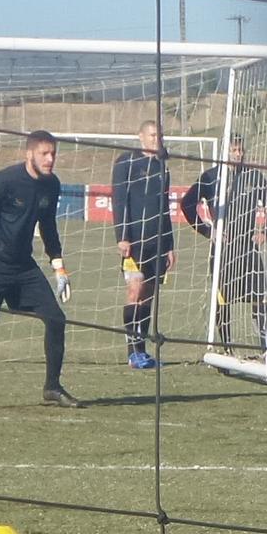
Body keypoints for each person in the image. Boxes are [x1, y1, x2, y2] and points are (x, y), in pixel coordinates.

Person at [0, 129, 78, 411]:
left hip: (24, 267)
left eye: (53, 153)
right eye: (44, 153)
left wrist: (58, 265)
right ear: (29, 154)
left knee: (56, 319)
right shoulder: (4, 181)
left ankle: (52, 387)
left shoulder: (52, 185)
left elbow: (48, 226)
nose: (50, 159)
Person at [177, 137, 267, 350]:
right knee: (223, 298)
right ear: (225, 152)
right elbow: (187, 204)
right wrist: (208, 230)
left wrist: (264, 230)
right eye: (234, 150)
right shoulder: (211, 177)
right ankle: (227, 346)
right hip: (223, 249)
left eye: (241, 150)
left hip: (248, 247)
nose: (238, 154)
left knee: (259, 296)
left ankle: (265, 346)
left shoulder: (254, 176)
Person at [110, 120, 175, 369]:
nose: (156, 139)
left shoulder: (162, 166)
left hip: (156, 241)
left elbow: (164, 207)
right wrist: (122, 236)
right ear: (140, 136)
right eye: (152, 135)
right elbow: (119, 201)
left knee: (148, 295)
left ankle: (142, 350)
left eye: (159, 135)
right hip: (134, 240)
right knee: (134, 290)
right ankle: (132, 352)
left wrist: (169, 244)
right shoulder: (126, 162)